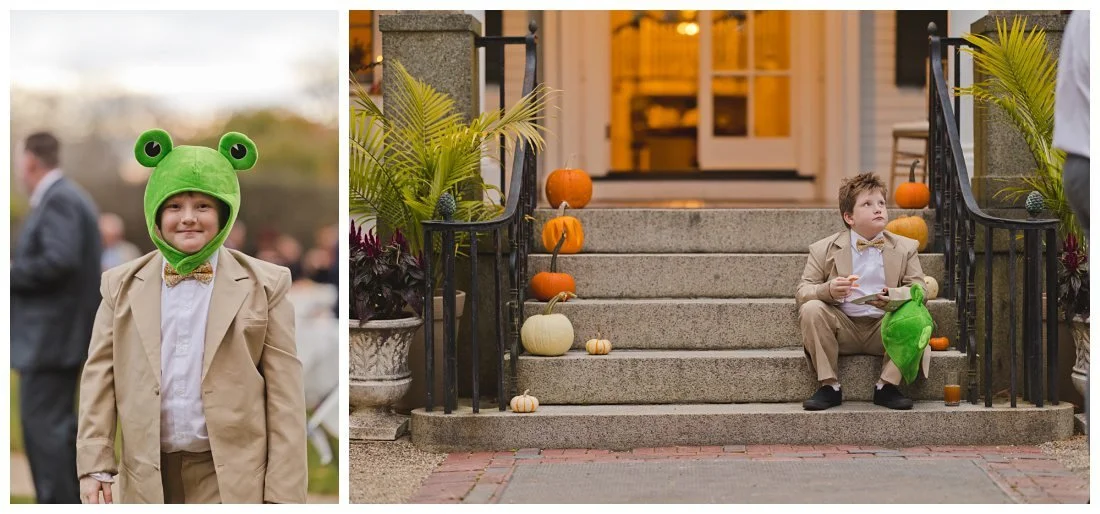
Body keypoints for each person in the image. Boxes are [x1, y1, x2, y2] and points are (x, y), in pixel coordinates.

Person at [76, 129, 308, 504]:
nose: (188, 218)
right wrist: (95, 465)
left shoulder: (267, 285)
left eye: (202, 206)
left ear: (224, 213)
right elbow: (99, 379)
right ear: (156, 212)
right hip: (148, 474)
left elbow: (286, 398)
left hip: (230, 476)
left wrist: (283, 495)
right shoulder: (118, 285)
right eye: (174, 207)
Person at [10, 131, 102, 504]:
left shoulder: (58, 199)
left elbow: (59, 261)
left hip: (49, 342)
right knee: (55, 435)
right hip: (55, 340)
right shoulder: (65, 196)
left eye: (18, 159)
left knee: (46, 437)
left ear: (30, 160)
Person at [796, 172, 932, 411]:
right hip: (842, 328)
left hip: (886, 328)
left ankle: (886, 386)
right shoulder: (822, 249)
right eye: (867, 204)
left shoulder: (905, 247)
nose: (878, 209)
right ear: (849, 217)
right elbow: (802, 291)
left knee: (918, 313)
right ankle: (829, 386)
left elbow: (920, 289)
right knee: (811, 308)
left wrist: (894, 296)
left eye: (881, 203)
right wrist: (827, 290)